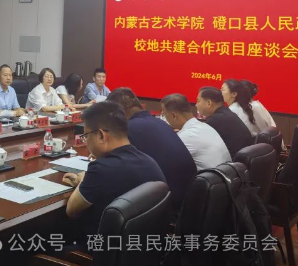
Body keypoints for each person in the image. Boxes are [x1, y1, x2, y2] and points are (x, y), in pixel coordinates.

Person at [61, 102, 166, 249]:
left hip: (100, 251)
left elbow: (71, 211)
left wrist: (84, 179)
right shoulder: (148, 161)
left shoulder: (101, 169)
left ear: (101, 135)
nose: (86, 143)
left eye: (86, 137)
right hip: (144, 250)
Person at [106, 87, 196, 209]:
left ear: (119, 113)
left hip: (168, 206)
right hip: (187, 199)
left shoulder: (129, 129)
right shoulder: (160, 122)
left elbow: (112, 170)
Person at [161, 93, 231, 170]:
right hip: (225, 174)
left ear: (174, 115)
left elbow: (164, 160)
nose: (164, 118)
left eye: (164, 114)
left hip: (212, 176)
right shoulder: (205, 126)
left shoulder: (187, 136)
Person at [196, 86, 252, 158]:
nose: (196, 105)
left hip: (231, 162)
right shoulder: (227, 113)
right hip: (242, 161)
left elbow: (198, 145)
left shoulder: (215, 120)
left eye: (198, 101)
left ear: (209, 103)